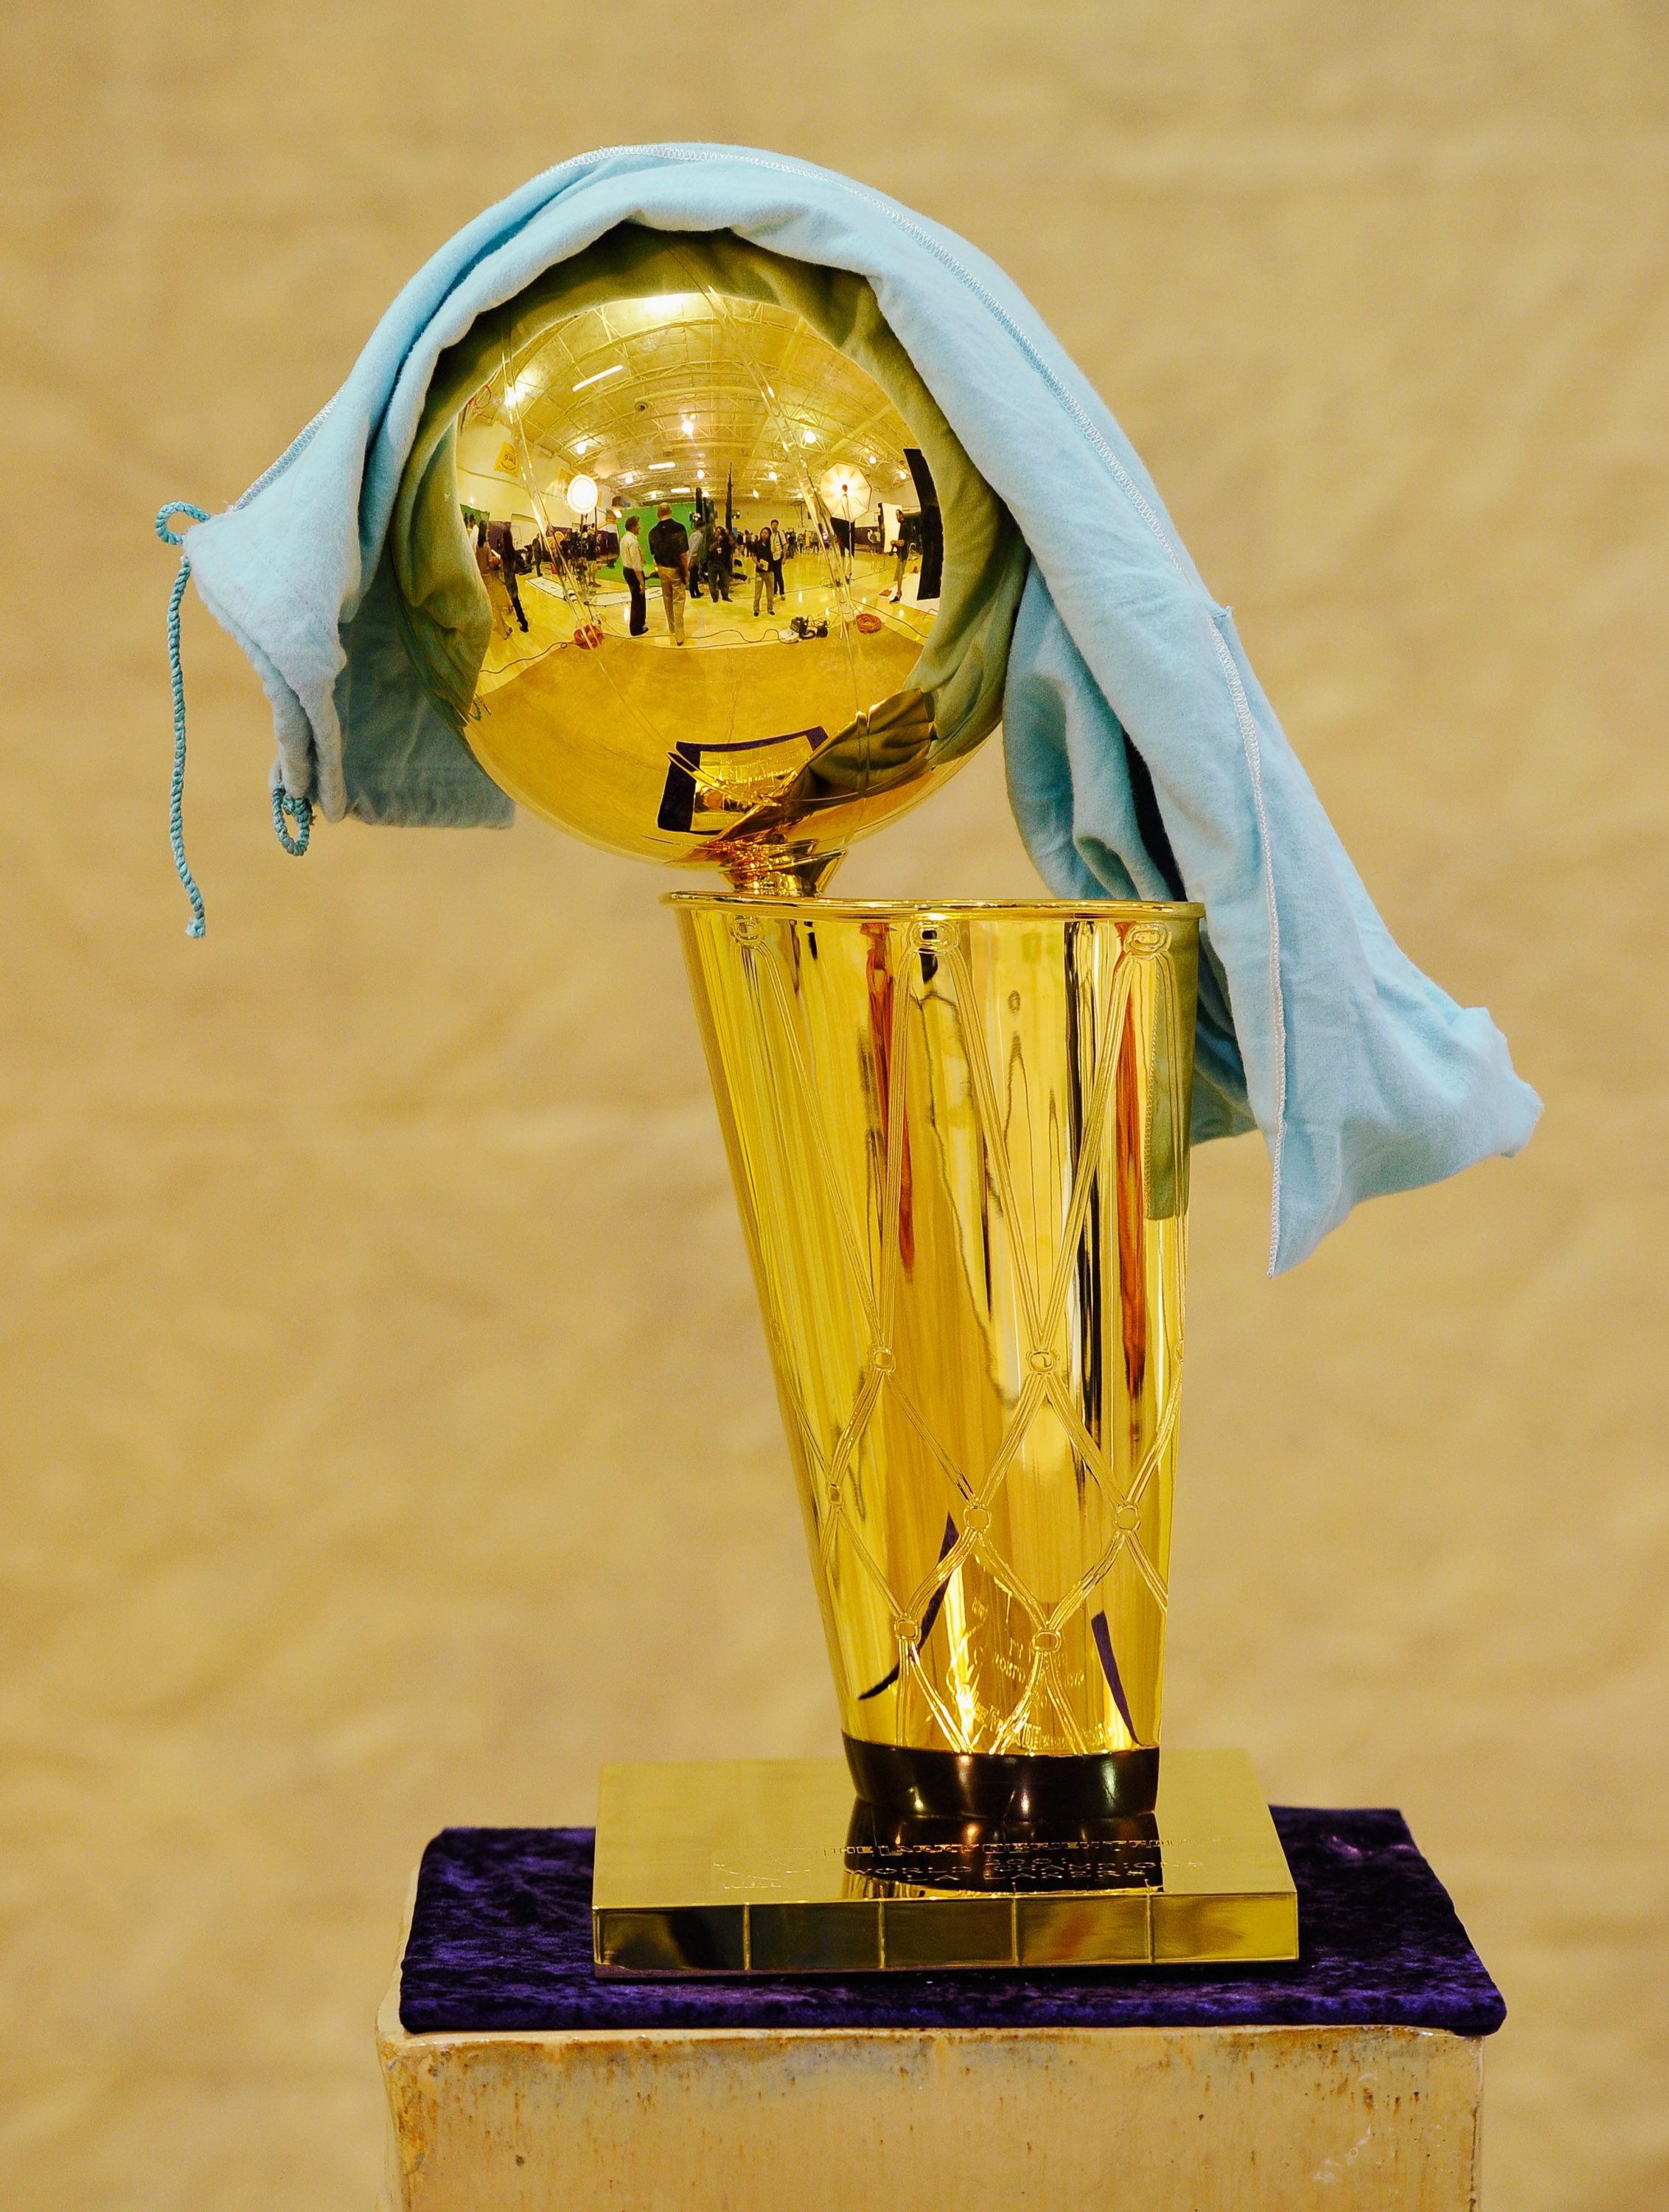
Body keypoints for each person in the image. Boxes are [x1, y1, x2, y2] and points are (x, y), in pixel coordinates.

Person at [647, 503, 689, 644]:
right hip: (676, 568)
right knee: (679, 600)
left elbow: (654, 555)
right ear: (670, 511)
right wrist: (686, 572)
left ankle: (672, 627)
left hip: (662, 569)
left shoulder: (652, 533)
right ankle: (679, 635)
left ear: (658, 514)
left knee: (667, 598)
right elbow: (683, 554)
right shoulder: (679, 528)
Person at [619, 513, 647, 636]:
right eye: (638, 525)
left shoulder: (625, 539)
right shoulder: (632, 542)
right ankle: (635, 629)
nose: (639, 527)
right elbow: (636, 566)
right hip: (633, 573)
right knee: (638, 600)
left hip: (627, 571)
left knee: (638, 599)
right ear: (633, 527)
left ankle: (640, 622)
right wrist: (641, 583)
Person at [751, 529, 776, 617]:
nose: (764, 535)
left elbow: (774, 551)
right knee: (758, 592)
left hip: (769, 571)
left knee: (770, 591)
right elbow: (753, 555)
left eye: (766, 533)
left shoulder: (771, 544)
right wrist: (757, 563)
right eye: (762, 533)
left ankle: (770, 608)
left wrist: (772, 540)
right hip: (759, 572)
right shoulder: (756, 544)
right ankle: (756, 609)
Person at [686, 514, 707, 603]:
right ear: (701, 527)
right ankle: (693, 593)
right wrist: (692, 560)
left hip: (691, 557)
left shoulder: (693, 535)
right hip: (694, 559)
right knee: (694, 576)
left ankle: (696, 591)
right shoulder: (699, 536)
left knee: (694, 576)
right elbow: (695, 548)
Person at [767, 517, 785, 598]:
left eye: (776, 525)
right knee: (772, 576)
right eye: (773, 524)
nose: (774, 526)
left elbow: (785, 546)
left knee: (779, 575)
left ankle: (782, 592)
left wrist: (784, 557)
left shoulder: (780, 534)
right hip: (771, 558)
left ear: (778, 526)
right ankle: (774, 591)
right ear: (771, 525)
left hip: (778, 557)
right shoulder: (770, 535)